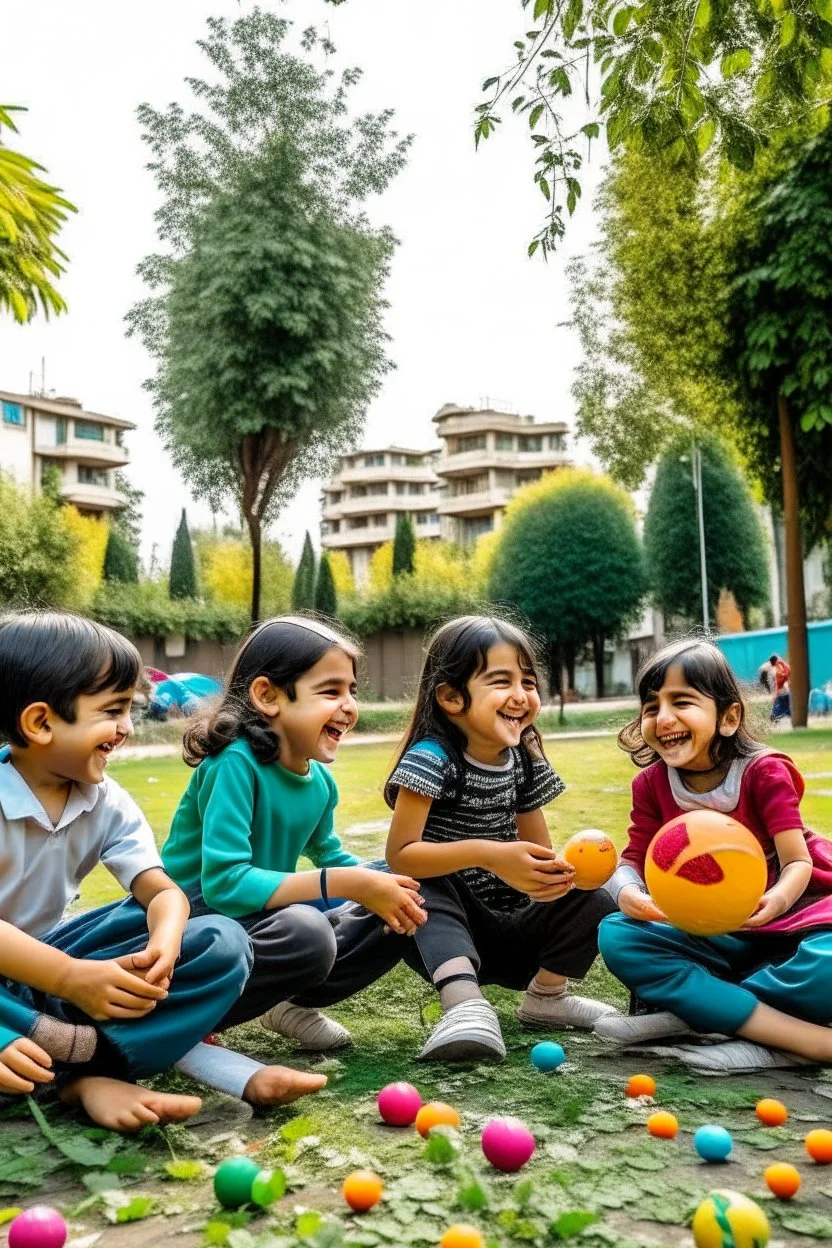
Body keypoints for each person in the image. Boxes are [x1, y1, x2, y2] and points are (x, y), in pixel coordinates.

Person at [0, 611, 255, 1130]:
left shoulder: (105, 801)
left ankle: (70, 1058)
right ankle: (83, 1070)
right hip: (39, 981)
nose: (127, 729)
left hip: (53, 966)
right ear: (41, 722)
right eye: (113, 711)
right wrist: (71, 978)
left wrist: (165, 939)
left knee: (224, 943)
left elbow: (162, 891)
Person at [161, 615, 428, 1098]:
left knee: (407, 884)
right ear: (269, 697)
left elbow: (329, 853)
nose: (349, 707)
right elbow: (224, 884)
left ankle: (285, 1004)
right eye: (330, 691)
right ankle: (188, 1014)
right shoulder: (234, 765)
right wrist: (344, 885)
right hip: (194, 924)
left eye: (351, 690)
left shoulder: (320, 782)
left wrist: (383, 883)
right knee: (306, 931)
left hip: (262, 919)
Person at [384, 615, 619, 1062]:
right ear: (452, 697)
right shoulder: (432, 758)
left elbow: (539, 855)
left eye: (528, 681)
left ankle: (547, 997)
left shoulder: (523, 762)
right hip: (441, 935)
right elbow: (400, 856)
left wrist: (562, 871)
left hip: (512, 933)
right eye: (501, 681)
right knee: (421, 885)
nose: (521, 695)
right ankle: (463, 1005)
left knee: (594, 895)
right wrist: (491, 855)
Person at [596, 638, 832, 1073]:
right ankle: (797, 1038)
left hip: (793, 919)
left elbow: (798, 861)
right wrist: (628, 891)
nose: (663, 718)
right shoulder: (651, 785)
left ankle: (707, 1014)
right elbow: (631, 860)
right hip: (713, 933)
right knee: (618, 935)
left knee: (827, 966)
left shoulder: (763, 772)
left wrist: (776, 900)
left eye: (681, 701)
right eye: (651, 707)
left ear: (729, 717)